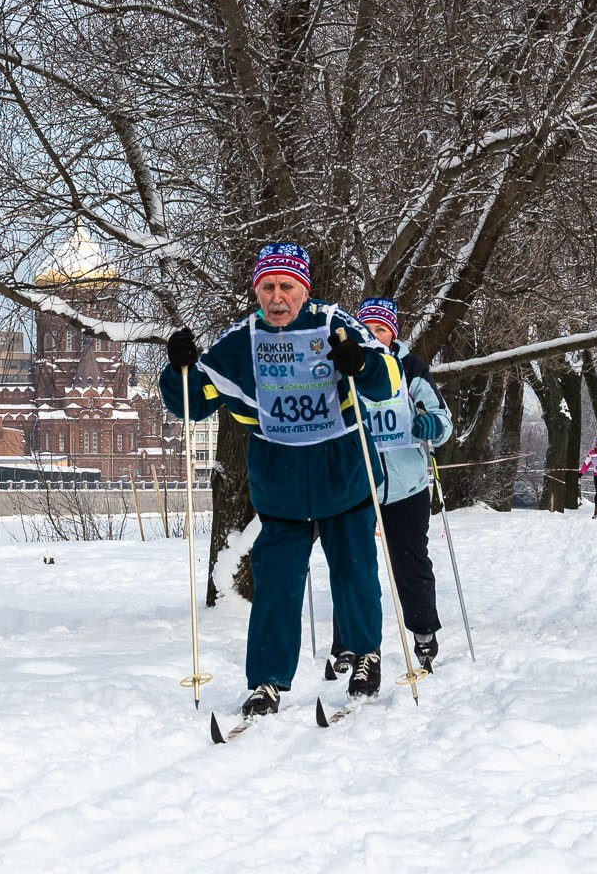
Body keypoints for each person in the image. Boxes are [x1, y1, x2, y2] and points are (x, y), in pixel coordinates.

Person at [164, 243, 389, 718]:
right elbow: (192, 401)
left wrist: (361, 365)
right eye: (267, 287)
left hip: (342, 476)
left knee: (355, 574)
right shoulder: (240, 341)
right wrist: (178, 366)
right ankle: (267, 682)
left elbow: (385, 380)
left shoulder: (332, 324)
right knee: (277, 586)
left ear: (304, 289)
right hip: (281, 487)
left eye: (287, 286)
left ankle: (366, 656)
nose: (277, 297)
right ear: (257, 291)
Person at [353, 297, 455, 675]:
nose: (374, 337)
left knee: (410, 562)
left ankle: (424, 632)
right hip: (359, 484)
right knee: (353, 566)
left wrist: (432, 425)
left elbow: (441, 417)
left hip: (406, 484)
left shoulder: (411, 368)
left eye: (381, 330)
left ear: (392, 334)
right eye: (367, 331)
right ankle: (350, 643)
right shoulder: (349, 367)